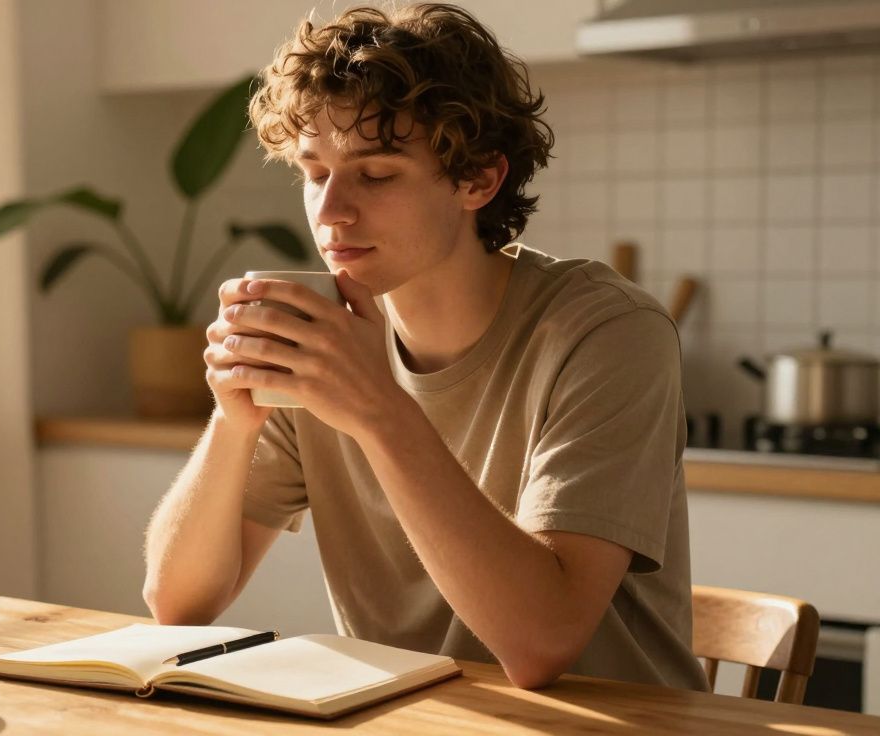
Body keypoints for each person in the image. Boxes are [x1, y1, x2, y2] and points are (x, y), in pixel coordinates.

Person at [141, 3, 709, 691]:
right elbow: (178, 604)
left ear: (478, 180)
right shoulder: (330, 339)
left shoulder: (606, 332)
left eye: (375, 175)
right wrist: (233, 422)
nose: (329, 213)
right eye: (314, 171)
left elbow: (540, 642)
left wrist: (378, 409)